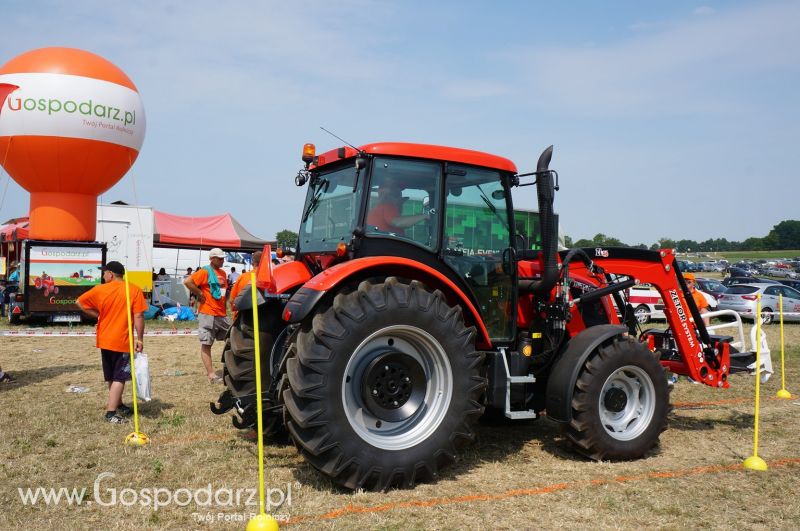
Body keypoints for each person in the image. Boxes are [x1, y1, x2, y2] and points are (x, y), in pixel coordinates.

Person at [77, 261, 147, 424]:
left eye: (104, 272)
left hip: (105, 339)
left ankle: (118, 403)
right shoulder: (134, 290)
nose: (103, 276)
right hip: (122, 340)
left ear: (111, 274)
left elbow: (79, 302)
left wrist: (97, 315)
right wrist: (140, 338)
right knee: (119, 377)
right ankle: (111, 412)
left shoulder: (100, 289)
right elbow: (138, 316)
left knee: (112, 376)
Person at [184, 248, 229, 384]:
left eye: (222, 258)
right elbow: (187, 282)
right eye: (220, 258)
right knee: (207, 344)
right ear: (212, 259)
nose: (222, 260)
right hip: (208, 314)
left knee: (231, 340)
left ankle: (229, 369)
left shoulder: (223, 273)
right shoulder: (204, 271)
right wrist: (200, 293)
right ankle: (211, 375)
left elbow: (224, 292)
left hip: (221, 314)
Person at [229, 251, 261, 320]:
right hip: (264, 318)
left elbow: (232, 300)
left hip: (242, 317)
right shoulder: (271, 278)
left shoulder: (243, 277)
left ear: (252, 263)